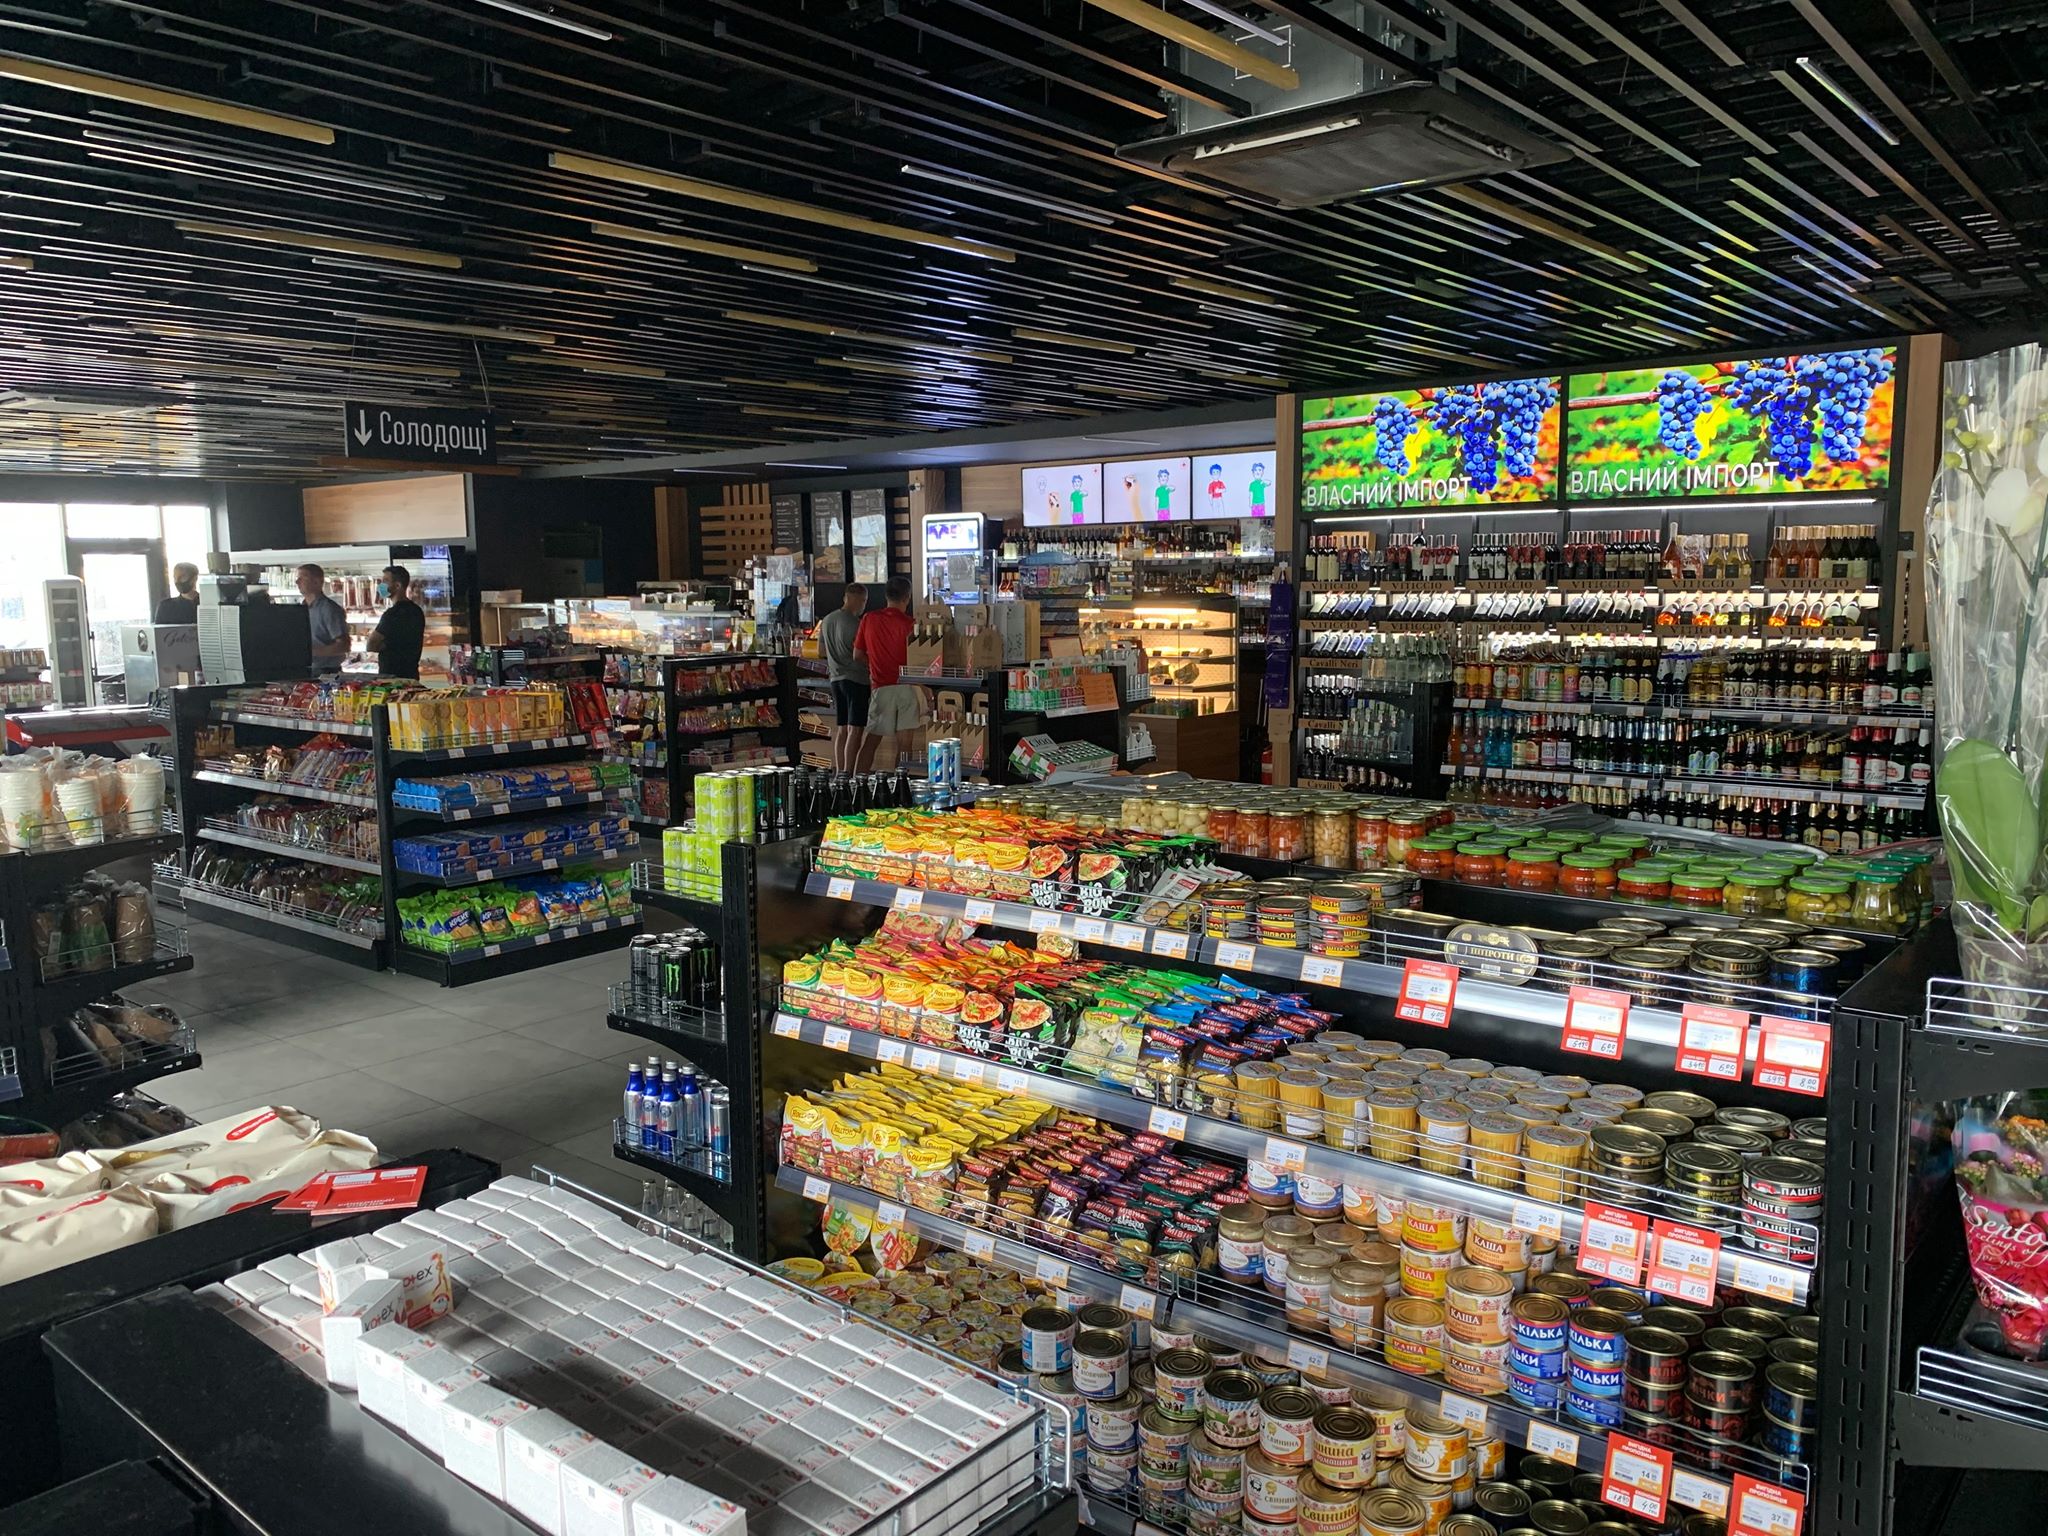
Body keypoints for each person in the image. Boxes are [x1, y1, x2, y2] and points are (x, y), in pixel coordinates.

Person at [853, 575, 917, 772]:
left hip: (880, 687)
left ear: (886, 596)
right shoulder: (911, 624)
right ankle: (901, 786)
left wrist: (874, 665)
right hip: (907, 686)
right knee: (905, 746)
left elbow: (857, 655)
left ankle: (857, 783)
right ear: (907, 597)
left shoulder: (869, 619)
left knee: (870, 742)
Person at [819, 583, 869, 772]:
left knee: (842, 729)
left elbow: (820, 651)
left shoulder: (827, 620)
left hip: (835, 679)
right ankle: (848, 773)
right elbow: (861, 654)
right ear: (858, 600)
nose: (864, 605)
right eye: (864, 601)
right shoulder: (857, 624)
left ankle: (840, 772)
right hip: (857, 679)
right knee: (855, 729)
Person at [365, 564, 425, 680]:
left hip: (391, 677)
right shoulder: (417, 611)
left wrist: (385, 645)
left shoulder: (392, 614)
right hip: (411, 674)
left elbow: (371, 644)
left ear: (398, 585)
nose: (381, 585)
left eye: (385, 581)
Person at [296, 563, 350, 672]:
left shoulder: (329, 609)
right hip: (305, 669)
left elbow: (343, 645)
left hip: (326, 671)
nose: (297, 582)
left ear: (317, 582)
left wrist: (309, 652)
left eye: (303, 578)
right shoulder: (301, 609)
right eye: (297, 578)